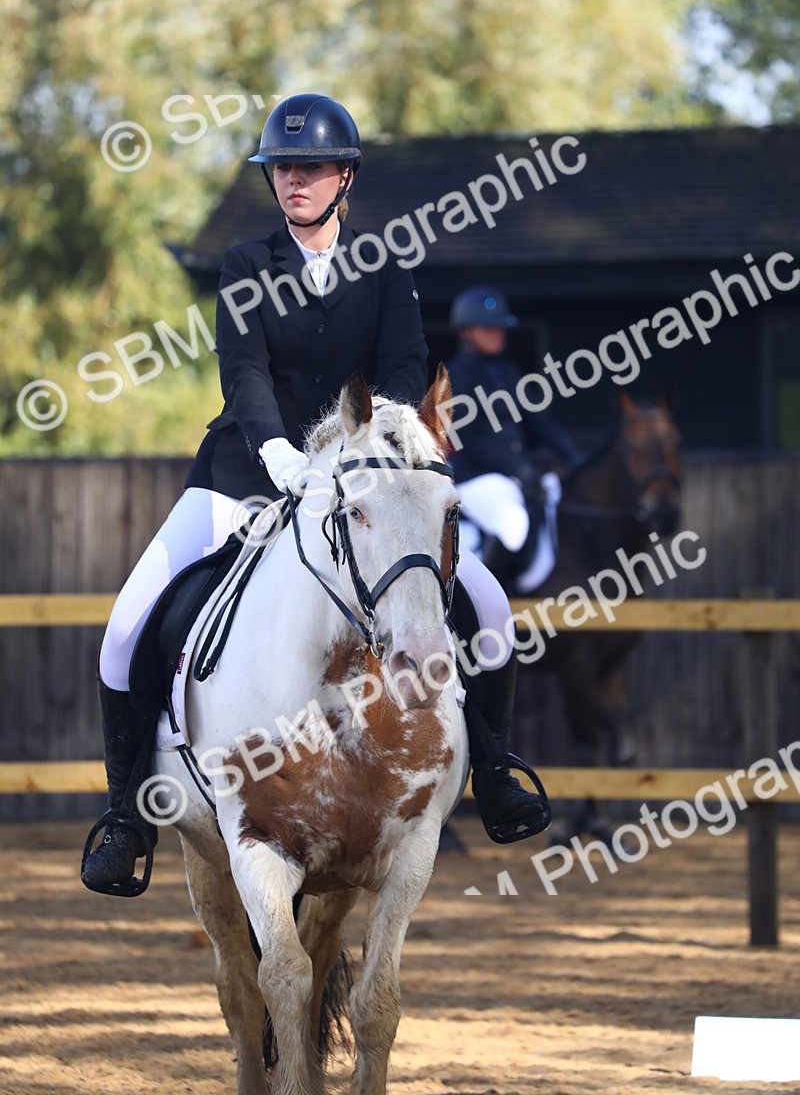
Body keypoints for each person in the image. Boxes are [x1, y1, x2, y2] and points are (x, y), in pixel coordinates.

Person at [82, 94, 551, 897]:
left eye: (310, 169)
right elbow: (245, 371)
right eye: (282, 169)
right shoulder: (246, 266)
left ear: (344, 177)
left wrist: (377, 440)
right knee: (126, 626)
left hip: (364, 479)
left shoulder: (386, 265)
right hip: (244, 472)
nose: (293, 181)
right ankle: (126, 815)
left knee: (490, 604)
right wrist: (279, 453)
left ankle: (497, 768)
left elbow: (407, 362)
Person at [446, 287, 583, 587]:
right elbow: (465, 436)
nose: (498, 334)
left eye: (500, 328)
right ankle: (489, 601)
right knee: (513, 524)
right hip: (476, 478)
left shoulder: (508, 372)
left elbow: (540, 423)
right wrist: (516, 467)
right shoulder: (457, 375)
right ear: (467, 331)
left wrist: (576, 460)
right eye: (488, 328)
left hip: (512, 476)